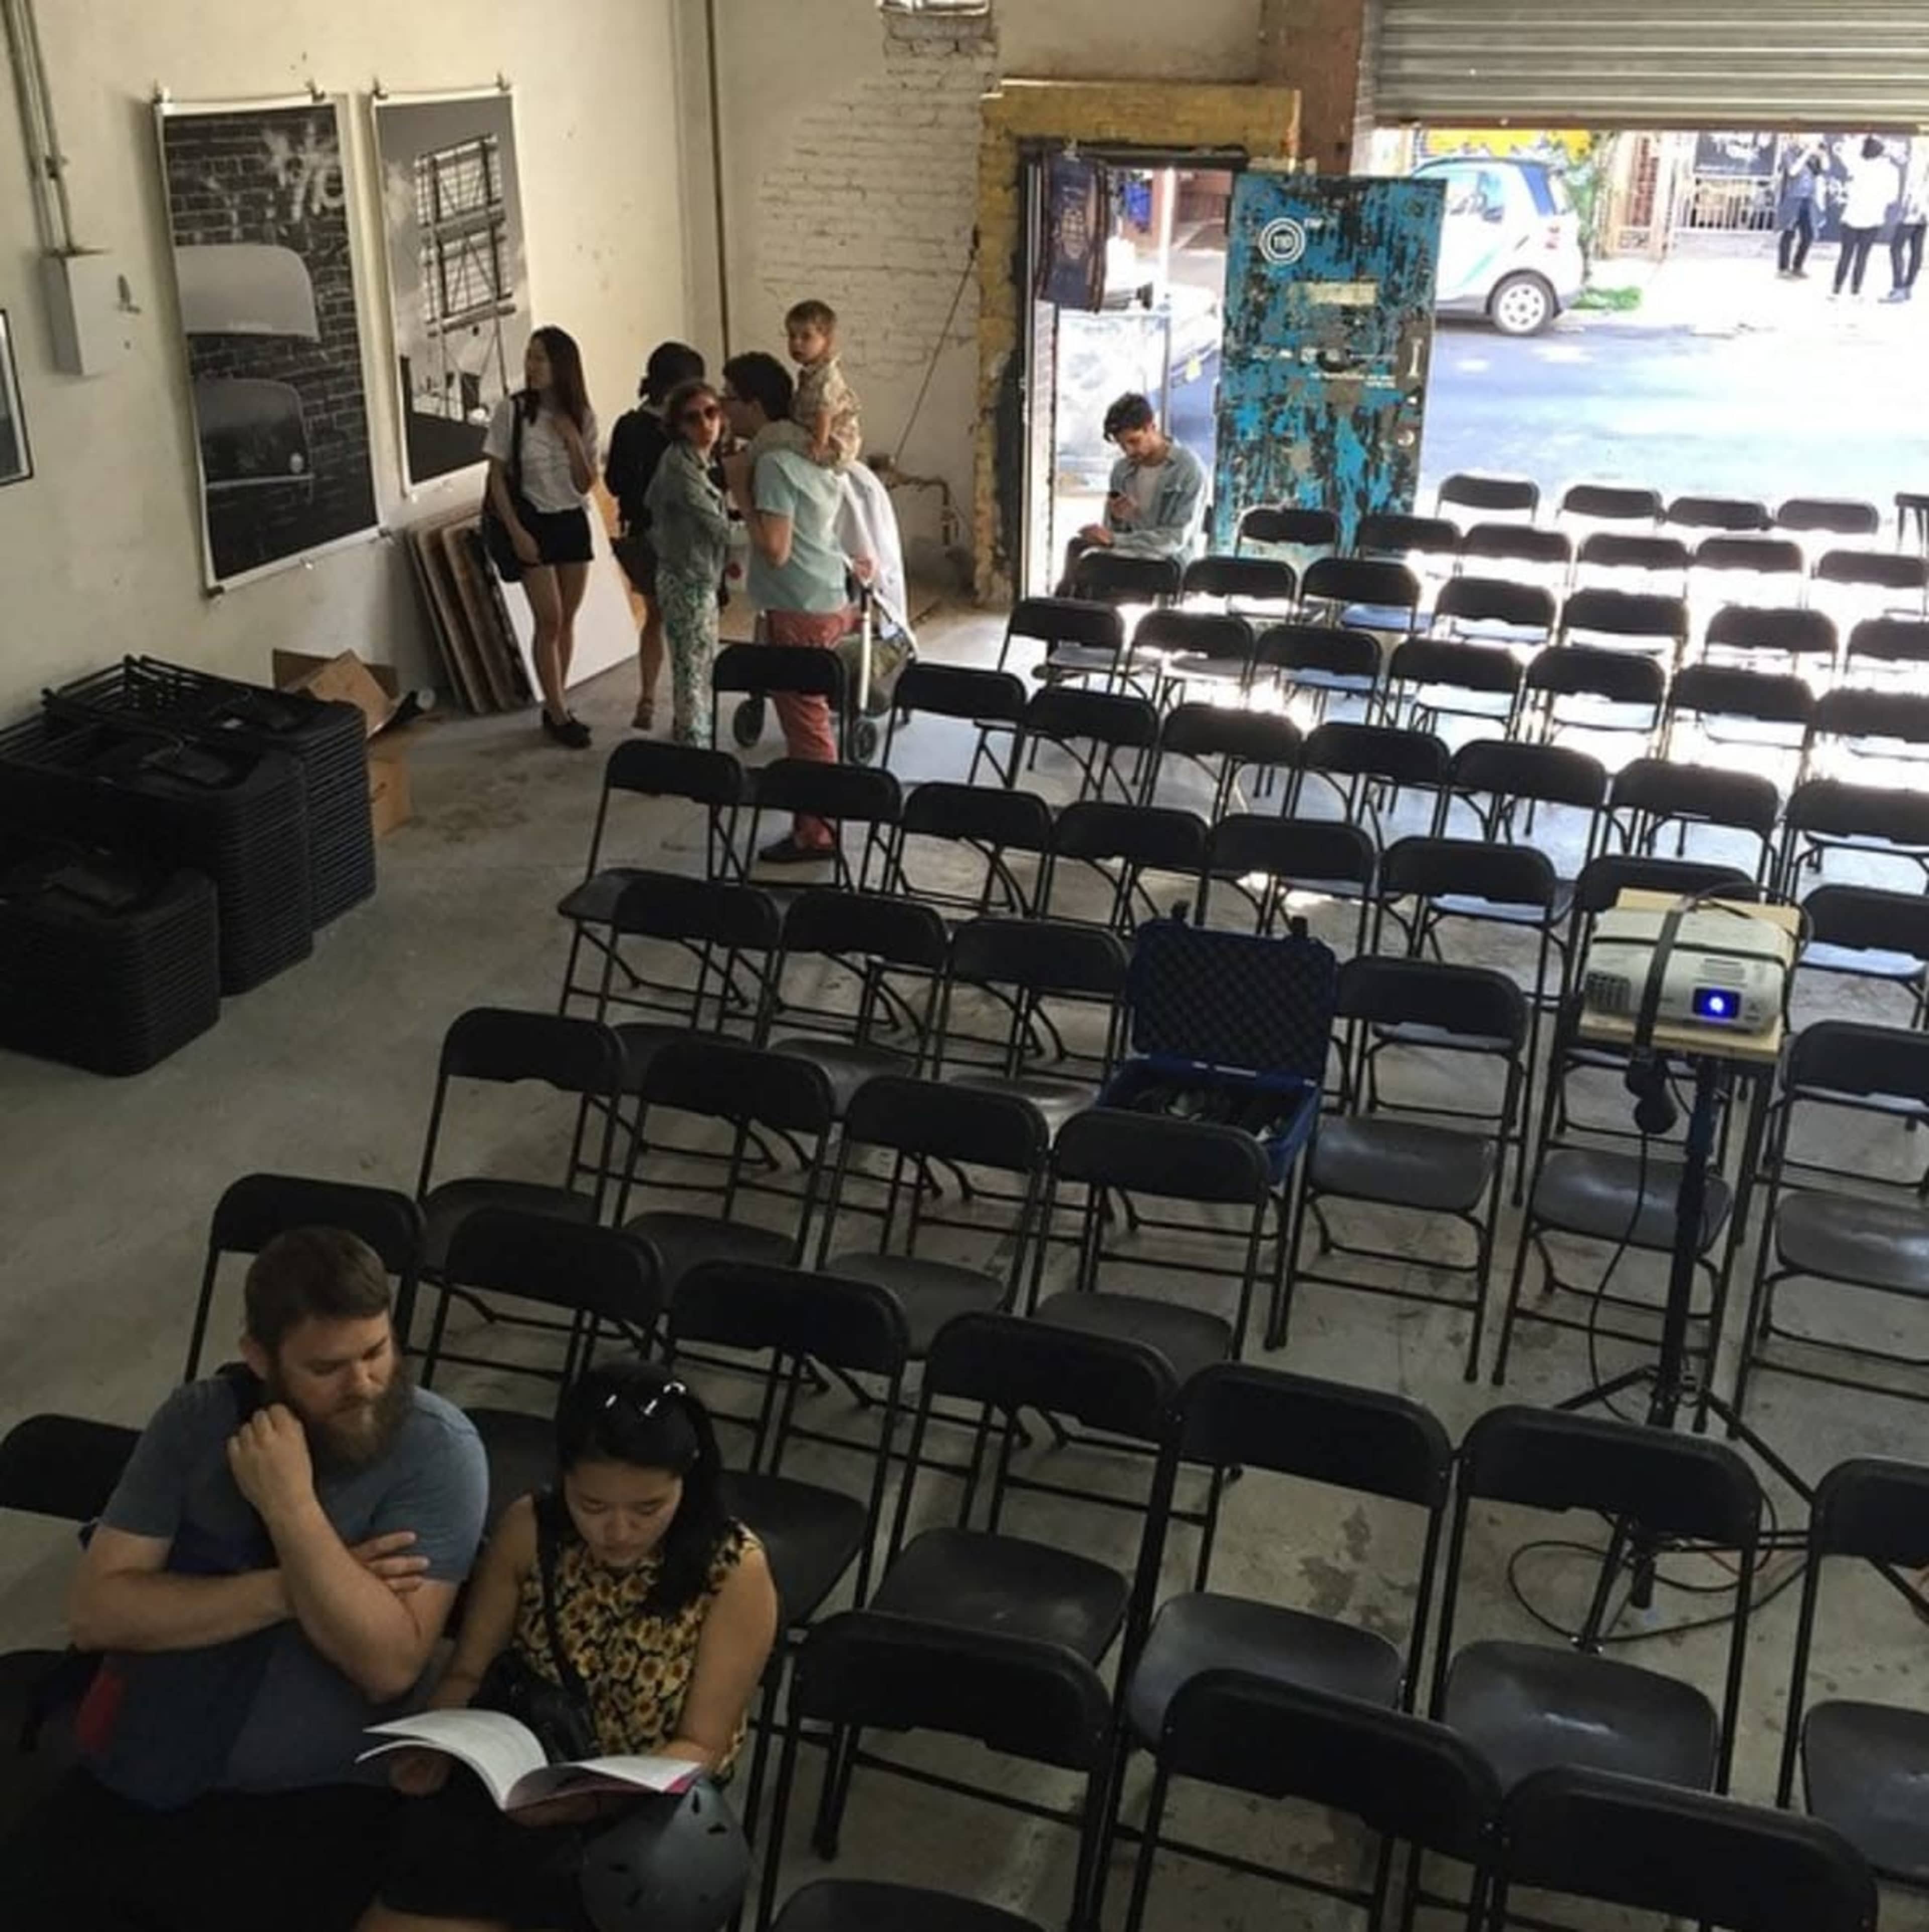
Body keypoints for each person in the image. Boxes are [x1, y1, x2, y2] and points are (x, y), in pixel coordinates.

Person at [0, 1229, 489, 1932]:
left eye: (377, 1351)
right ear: (260, 1358)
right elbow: (98, 1612)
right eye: (327, 1367)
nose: (364, 1386)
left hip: (316, 1800)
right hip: (147, 1767)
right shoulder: (198, 1420)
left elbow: (386, 1662)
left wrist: (289, 1505)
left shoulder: (436, 1450)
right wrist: (295, 1588)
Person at [357, 1360, 777, 1932]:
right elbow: (468, 1671)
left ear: (687, 1481)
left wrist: (590, 1800)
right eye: (593, 1506)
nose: (619, 1531)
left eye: (647, 1508)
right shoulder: (532, 1528)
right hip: (521, 1777)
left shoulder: (731, 1570)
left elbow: (700, 1745)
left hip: (642, 1816)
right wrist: (436, 1743)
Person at [720, 351, 854, 866]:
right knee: (809, 721)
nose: (724, 408)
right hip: (819, 594)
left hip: (799, 604)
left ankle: (817, 834)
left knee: (806, 726)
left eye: (729, 397)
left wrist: (739, 492)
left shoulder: (773, 463)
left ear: (753, 404)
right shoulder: (806, 450)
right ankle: (813, 824)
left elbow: (774, 547)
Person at [485, 328, 601, 749]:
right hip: (530, 518)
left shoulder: (583, 416)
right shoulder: (511, 412)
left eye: (541, 360)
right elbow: (496, 478)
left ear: (562, 367)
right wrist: (516, 531)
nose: (532, 367)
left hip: (570, 520)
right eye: (530, 357)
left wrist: (571, 438)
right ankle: (556, 710)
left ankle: (557, 702)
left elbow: (587, 483)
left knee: (566, 618)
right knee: (548, 618)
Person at [605, 342, 707, 731]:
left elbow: (614, 483)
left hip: (641, 537)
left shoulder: (628, 425)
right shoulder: (685, 432)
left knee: (655, 619)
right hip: (683, 540)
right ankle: (687, 711)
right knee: (690, 628)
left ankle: (647, 698)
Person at [643, 379, 733, 747]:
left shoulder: (691, 461)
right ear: (678, 425)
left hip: (691, 573)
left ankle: (690, 735)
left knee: (693, 664)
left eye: (711, 413)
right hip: (687, 579)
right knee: (693, 670)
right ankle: (693, 747)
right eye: (693, 418)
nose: (705, 424)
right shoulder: (681, 469)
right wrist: (772, 536)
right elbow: (717, 529)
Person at [1057, 392, 1208, 595]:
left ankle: (1086, 616)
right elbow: (1112, 531)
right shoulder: (1123, 470)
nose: (1128, 451)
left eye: (1134, 441)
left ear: (1151, 428)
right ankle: (1073, 616)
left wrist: (1118, 536)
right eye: (1122, 445)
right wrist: (1114, 524)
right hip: (1129, 552)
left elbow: (1174, 540)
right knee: (1077, 549)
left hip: (1168, 560)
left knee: (1093, 569)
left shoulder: (1187, 469)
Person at [785, 298, 863, 470]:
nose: (796, 343)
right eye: (792, 336)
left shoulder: (827, 376)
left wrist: (820, 445)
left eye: (806, 337)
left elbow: (824, 412)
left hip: (834, 441)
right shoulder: (809, 373)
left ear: (827, 341)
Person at [1834, 136, 1899, 299]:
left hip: (1852, 216)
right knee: (1863, 256)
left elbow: (1844, 152)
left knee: (1846, 255)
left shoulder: (1857, 165)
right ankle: (1856, 291)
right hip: (1874, 218)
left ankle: (1836, 290)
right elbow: (1892, 197)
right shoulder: (1891, 171)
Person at [1775, 146, 1824, 278]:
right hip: (1793, 198)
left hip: (1809, 199)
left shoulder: (1814, 157)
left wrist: (1822, 156)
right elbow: (1793, 171)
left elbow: (1823, 171)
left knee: (1808, 235)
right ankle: (1783, 268)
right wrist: (1807, 153)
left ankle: (1798, 266)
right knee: (1788, 233)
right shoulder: (1789, 153)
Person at [1886, 150, 1928, 301]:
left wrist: (1908, 208)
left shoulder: (1920, 159)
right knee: (1916, 249)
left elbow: (1914, 185)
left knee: (1896, 248)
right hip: (1924, 211)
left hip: (1913, 210)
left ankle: (1899, 288)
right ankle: (1908, 286)